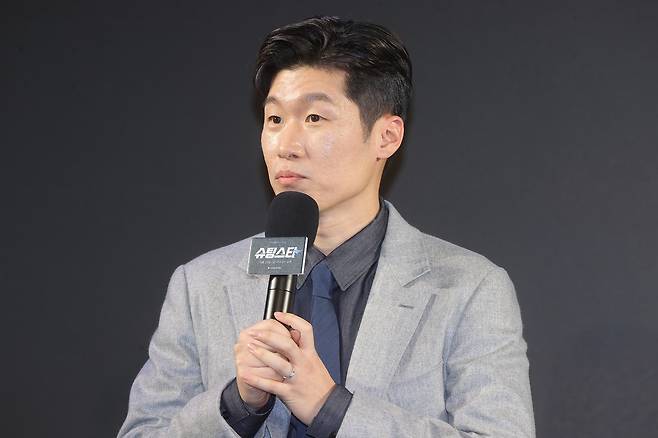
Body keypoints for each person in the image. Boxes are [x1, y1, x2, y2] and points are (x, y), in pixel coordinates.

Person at [118, 16, 535, 438]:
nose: (285, 145)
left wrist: (329, 407)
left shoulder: (470, 287)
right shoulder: (201, 284)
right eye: (275, 119)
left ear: (386, 137)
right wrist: (236, 404)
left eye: (315, 118)